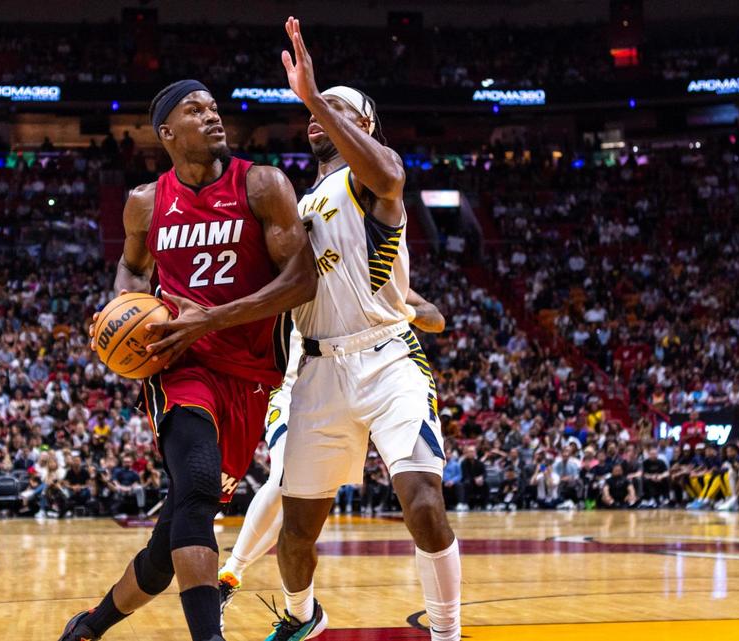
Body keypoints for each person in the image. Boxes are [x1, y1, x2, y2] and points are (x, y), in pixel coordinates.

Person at [59, 75, 316, 641]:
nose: (212, 115)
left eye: (214, 107)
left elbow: (303, 282)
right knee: (197, 488)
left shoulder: (263, 186)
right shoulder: (145, 203)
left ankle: (89, 627)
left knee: (170, 538)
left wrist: (215, 316)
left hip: (250, 374)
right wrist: (120, 305)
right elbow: (131, 268)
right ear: (168, 132)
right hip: (180, 363)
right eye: (196, 110)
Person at [267, 18, 460, 641]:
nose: (320, 118)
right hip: (318, 370)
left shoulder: (371, 177)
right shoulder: (293, 207)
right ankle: (303, 618)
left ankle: (447, 633)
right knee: (295, 534)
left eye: (341, 111)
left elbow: (388, 178)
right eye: (318, 113)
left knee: (424, 504)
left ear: (365, 127)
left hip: (387, 361)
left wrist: (314, 94)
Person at [217, 296, 444, 630]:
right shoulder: (284, 261)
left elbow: (435, 318)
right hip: (289, 387)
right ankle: (229, 577)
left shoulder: (361, 269)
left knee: (291, 501)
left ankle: (239, 582)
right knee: (282, 478)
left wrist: (399, 311)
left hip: (354, 380)